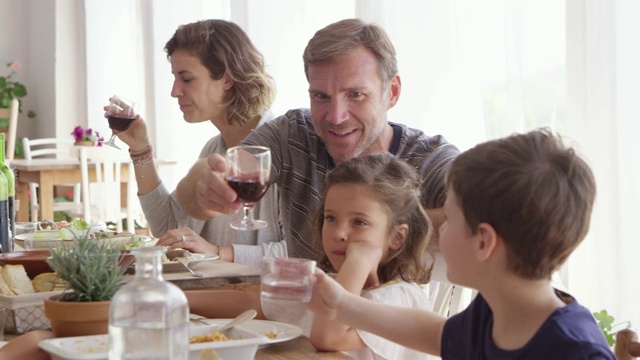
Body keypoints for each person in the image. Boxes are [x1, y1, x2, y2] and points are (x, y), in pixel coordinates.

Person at [303, 129, 616, 359]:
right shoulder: (491, 313)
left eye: (449, 218)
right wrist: (343, 305)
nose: (436, 228)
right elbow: (433, 333)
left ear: (484, 243)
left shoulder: (573, 350)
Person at [175, 18, 460, 263]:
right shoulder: (293, 133)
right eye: (321, 96)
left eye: (355, 95)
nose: (335, 117)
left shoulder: (428, 159)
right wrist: (206, 184)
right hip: (298, 319)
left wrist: (373, 228)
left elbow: (480, 217)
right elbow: (235, 165)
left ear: (392, 92)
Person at [187, 153, 438, 359]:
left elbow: (327, 336)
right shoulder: (335, 282)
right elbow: (255, 305)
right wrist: (178, 299)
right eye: (331, 218)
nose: (339, 233)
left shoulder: (399, 298)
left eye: (359, 222)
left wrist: (358, 262)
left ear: (397, 237)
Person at [109, 19, 284, 266]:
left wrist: (217, 251)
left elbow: (300, 252)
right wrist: (140, 148)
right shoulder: (214, 149)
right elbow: (166, 225)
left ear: (227, 78)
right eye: (175, 78)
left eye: (186, 79)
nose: (174, 91)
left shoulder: (282, 151)